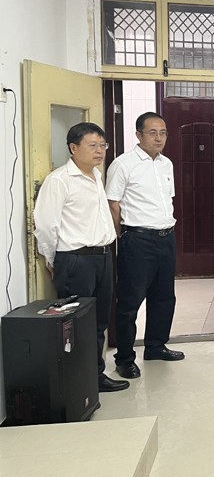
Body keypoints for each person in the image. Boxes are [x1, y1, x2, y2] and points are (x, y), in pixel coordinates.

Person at [33, 122, 129, 393]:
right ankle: (76, 384)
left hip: (102, 257)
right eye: (93, 145)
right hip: (75, 260)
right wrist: (52, 259)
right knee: (75, 324)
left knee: (98, 322)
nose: (100, 151)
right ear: (73, 148)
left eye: (102, 145)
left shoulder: (96, 176)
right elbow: (46, 225)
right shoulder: (59, 180)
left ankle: (95, 377)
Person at [107, 112, 184, 380]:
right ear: (138, 135)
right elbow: (113, 203)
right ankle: (124, 358)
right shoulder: (123, 164)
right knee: (130, 302)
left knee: (164, 297)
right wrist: (124, 236)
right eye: (152, 132)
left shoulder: (166, 164)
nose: (159, 138)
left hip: (166, 237)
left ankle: (155, 346)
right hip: (137, 239)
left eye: (163, 133)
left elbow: (166, 200)